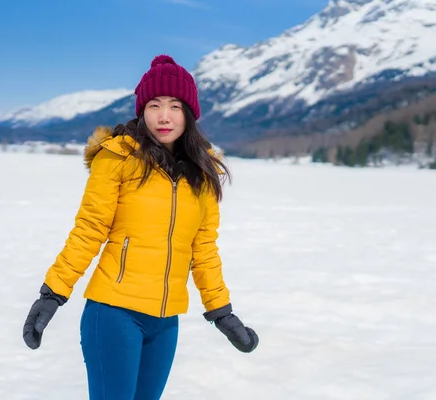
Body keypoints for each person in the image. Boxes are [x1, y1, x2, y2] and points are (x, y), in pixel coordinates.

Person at [22, 54, 259, 400]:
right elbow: (89, 230)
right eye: (154, 105)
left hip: (165, 322)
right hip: (113, 314)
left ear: (189, 114)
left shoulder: (202, 173)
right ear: (141, 111)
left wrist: (222, 312)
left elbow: (204, 249)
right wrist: (52, 294)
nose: (164, 116)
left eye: (175, 106)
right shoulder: (117, 158)